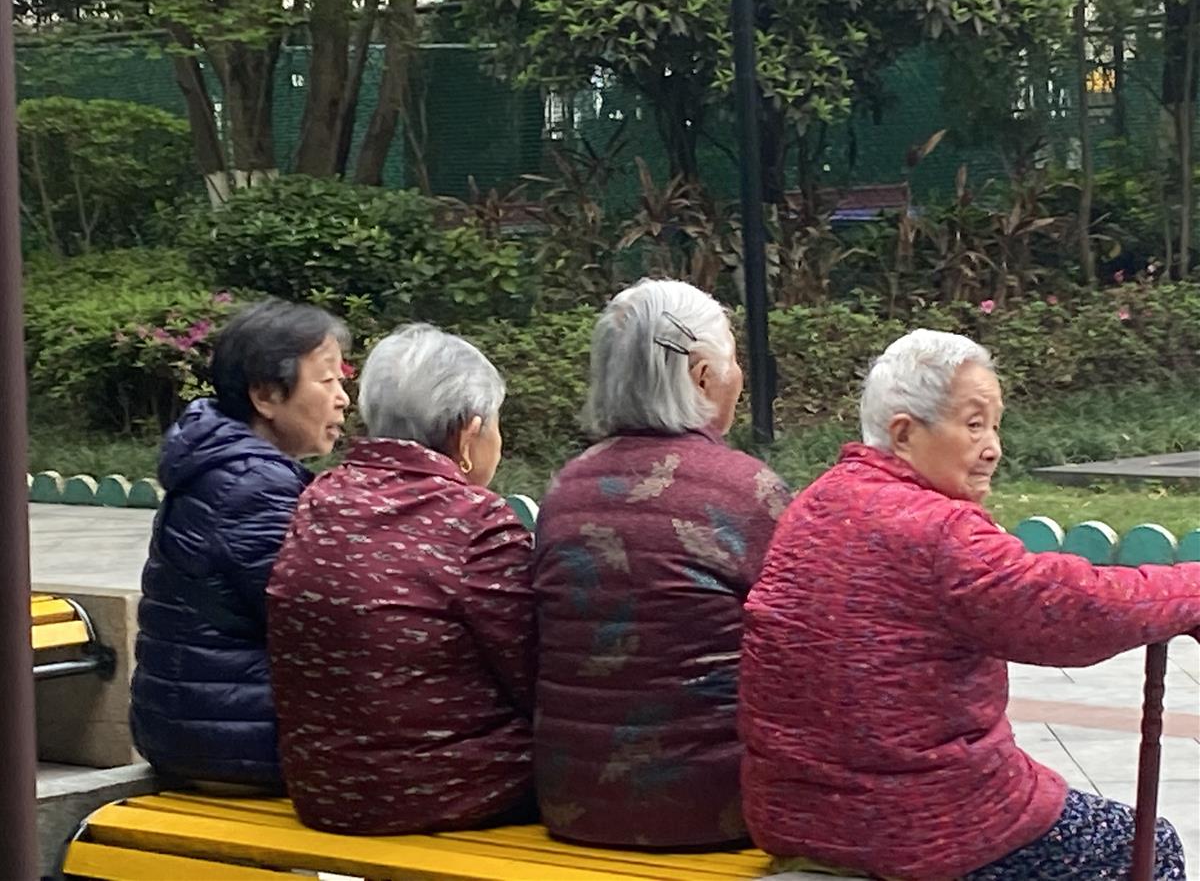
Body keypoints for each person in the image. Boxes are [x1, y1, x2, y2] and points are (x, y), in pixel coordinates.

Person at [740, 328, 1200, 880]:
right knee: (1147, 846)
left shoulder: (816, 503)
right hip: (926, 827)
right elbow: (1074, 610)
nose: (993, 448)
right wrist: (1191, 588)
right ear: (904, 434)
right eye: (974, 424)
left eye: (995, 425)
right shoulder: (938, 530)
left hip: (800, 817)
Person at [532, 278, 792, 848]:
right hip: (716, 809)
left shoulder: (565, 490)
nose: (738, 375)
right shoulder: (748, 491)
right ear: (701, 376)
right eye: (733, 360)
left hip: (573, 806)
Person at [268, 324, 536, 835]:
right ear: (468, 434)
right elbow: (535, 675)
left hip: (321, 790)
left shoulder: (319, 499)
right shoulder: (477, 521)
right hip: (443, 794)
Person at [130, 299, 350, 789]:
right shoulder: (251, 486)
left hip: (200, 727)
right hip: (232, 743)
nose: (343, 399)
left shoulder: (226, 466)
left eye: (342, 380)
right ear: (266, 395)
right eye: (327, 380)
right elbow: (311, 621)